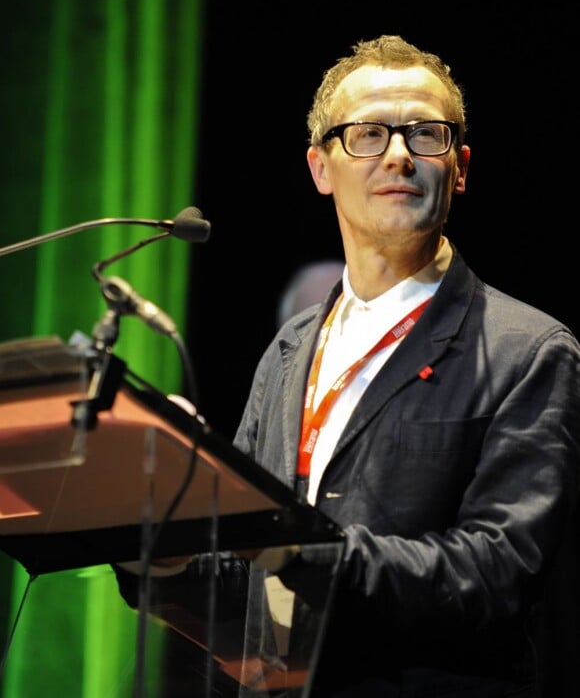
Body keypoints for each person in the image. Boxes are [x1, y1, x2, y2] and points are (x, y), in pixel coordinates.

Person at [116, 34, 580, 697]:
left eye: (426, 133)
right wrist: (166, 546)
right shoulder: (287, 350)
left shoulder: (528, 350)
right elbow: (247, 582)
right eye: (367, 133)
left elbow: (497, 573)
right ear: (321, 168)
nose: (398, 153)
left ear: (462, 165)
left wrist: (305, 548)